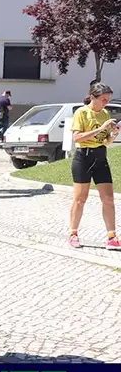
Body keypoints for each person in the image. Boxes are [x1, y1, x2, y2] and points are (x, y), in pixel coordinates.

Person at [68, 82, 120, 250]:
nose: (106, 103)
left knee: (108, 198)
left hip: (100, 157)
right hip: (83, 157)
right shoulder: (82, 112)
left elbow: (106, 142)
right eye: (103, 99)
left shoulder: (105, 113)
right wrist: (101, 128)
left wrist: (114, 134)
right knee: (80, 198)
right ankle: (73, 233)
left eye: (108, 100)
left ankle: (112, 236)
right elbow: (77, 138)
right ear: (93, 97)